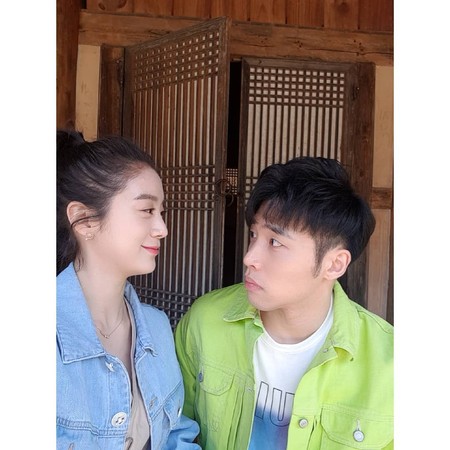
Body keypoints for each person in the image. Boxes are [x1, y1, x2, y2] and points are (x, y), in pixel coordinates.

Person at [174, 156, 393, 450]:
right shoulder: (205, 320)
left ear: (334, 264)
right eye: (254, 235)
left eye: (275, 242)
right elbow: (175, 427)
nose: (249, 257)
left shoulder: (391, 364)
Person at [56, 130, 200, 449]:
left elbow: (175, 434)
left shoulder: (157, 326)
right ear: (84, 220)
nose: (162, 229)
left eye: (161, 212)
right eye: (147, 210)